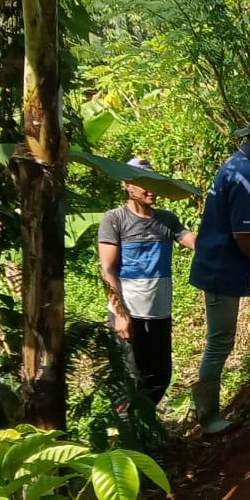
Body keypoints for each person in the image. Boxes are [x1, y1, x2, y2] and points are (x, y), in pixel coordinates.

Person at [188, 108, 250, 435]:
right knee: (219, 341)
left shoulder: (241, 165)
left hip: (222, 260)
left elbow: (248, 227)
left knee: (219, 340)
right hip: (221, 267)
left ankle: (207, 413)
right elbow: (244, 237)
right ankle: (207, 417)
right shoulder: (245, 174)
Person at [96, 158, 196, 407]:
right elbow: (108, 269)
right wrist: (120, 314)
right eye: (144, 184)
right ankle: (128, 425)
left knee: (161, 376)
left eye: (154, 183)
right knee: (131, 378)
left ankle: (146, 421)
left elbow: (197, 243)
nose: (151, 190)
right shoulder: (115, 219)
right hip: (130, 313)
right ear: (128, 185)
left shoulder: (166, 220)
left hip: (159, 313)